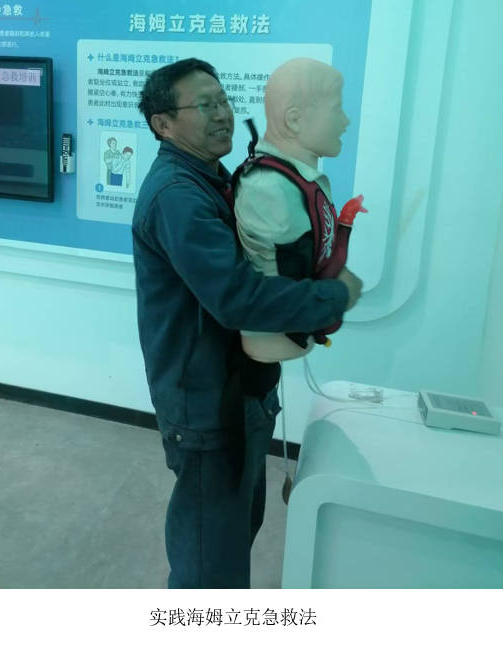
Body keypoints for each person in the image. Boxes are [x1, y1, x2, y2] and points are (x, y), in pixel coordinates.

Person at [131, 58, 362, 589]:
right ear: (163, 124)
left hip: (240, 390)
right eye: (203, 105)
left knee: (234, 531)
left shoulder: (217, 179)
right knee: (210, 560)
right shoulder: (177, 197)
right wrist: (333, 296)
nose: (221, 114)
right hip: (206, 403)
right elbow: (236, 298)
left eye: (223, 100)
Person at [234, 58, 362, 362]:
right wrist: (339, 293)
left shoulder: (296, 180)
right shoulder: (269, 188)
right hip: (275, 337)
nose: (346, 121)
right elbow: (272, 291)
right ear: (294, 120)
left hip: (295, 331)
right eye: (336, 109)